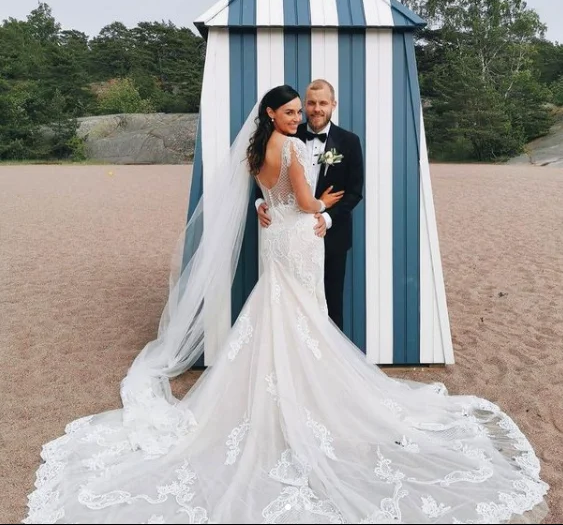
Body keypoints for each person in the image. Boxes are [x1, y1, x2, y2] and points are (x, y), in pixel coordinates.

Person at [24, 85, 548, 524]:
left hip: (279, 239)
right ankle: (310, 396)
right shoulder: (293, 147)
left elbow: (275, 191)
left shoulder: (262, 149)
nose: (301, 116)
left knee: (284, 309)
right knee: (302, 311)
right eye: (294, 110)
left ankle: (295, 389)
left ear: (328, 106)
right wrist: (323, 204)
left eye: (306, 109)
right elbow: (302, 201)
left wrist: (283, 203)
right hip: (298, 235)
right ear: (274, 114)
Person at [255, 79, 363, 330]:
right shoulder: (288, 133)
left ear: (333, 104)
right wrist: (260, 202)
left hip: (332, 235)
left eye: (323, 103)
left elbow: (354, 192)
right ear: (305, 103)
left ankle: (327, 355)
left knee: (330, 304)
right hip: (288, 236)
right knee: (287, 305)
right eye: (311, 103)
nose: (316, 109)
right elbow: (262, 176)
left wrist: (326, 218)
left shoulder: (349, 141)